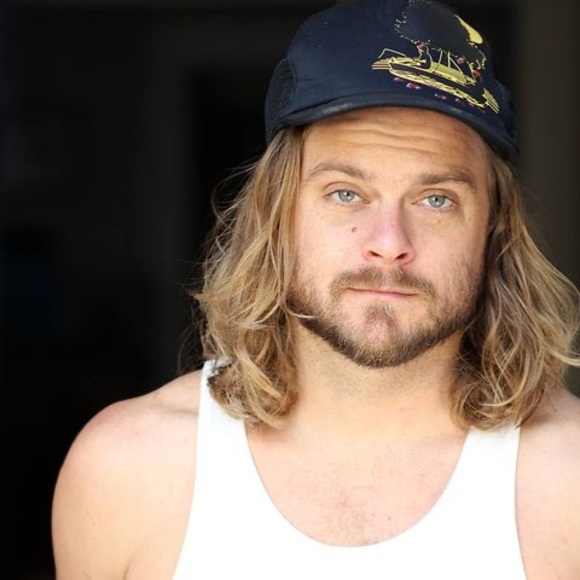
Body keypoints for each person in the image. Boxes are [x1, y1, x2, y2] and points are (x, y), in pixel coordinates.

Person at [51, 0, 580, 578]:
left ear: (493, 231)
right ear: (277, 215)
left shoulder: (566, 479)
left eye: (436, 200)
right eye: (345, 193)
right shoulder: (128, 471)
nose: (388, 243)